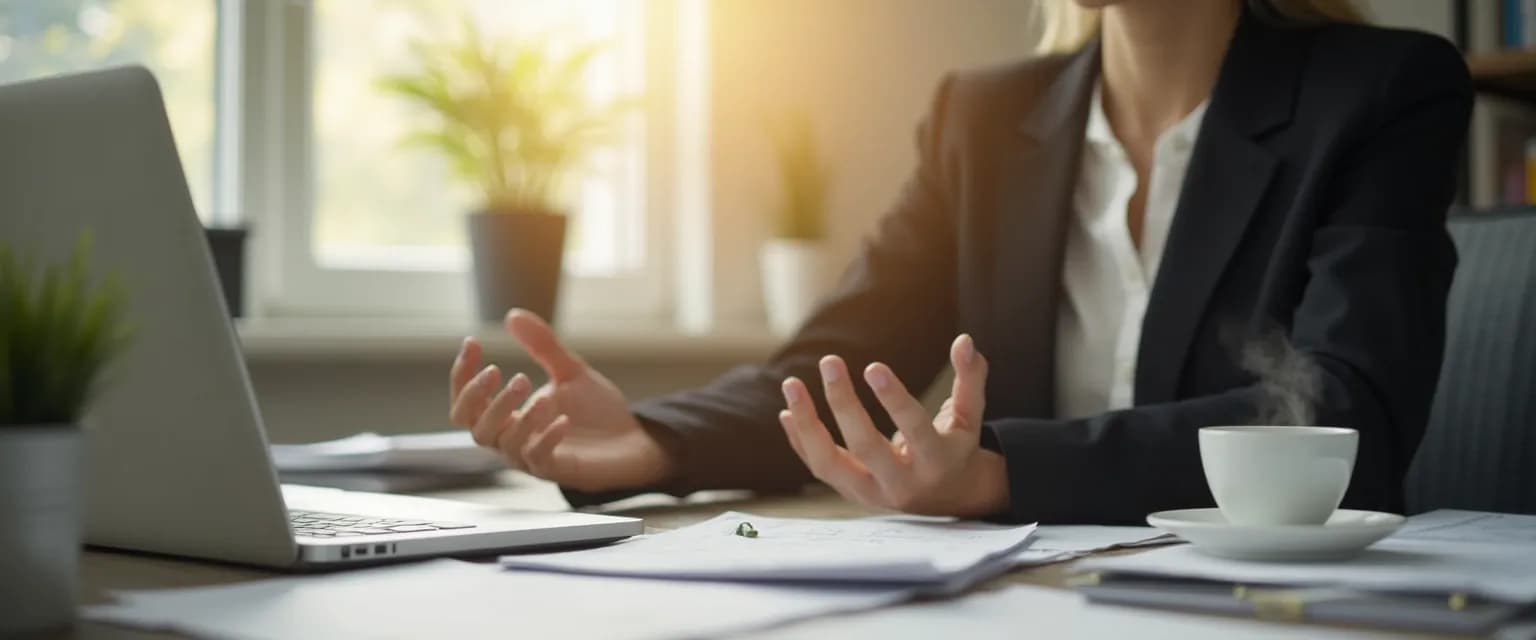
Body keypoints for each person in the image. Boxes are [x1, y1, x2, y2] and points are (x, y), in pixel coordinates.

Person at [447, 0, 1472, 523]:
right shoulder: (983, 121)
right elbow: (832, 375)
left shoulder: (1384, 92)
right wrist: (655, 442)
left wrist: (1002, 472)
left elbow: (1347, 418)